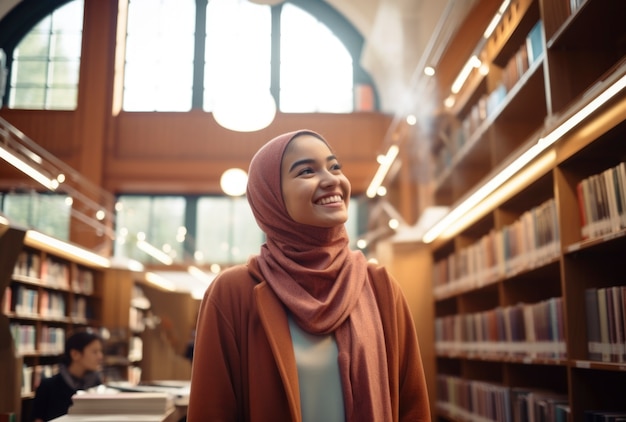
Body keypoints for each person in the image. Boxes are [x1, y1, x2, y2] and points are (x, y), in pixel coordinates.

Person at [187, 129, 431, 422]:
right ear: (271, 197)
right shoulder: (233, 292)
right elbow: (211, 412)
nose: (332, 180)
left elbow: (412, 408)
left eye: (335, 167)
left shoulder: (380, 287)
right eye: (306, 171)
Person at [31, 331, 103, 422]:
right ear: (75, 354)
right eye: (95, 352)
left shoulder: (97, 384)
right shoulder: (48, 386)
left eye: (100, 351)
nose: (100, 356)